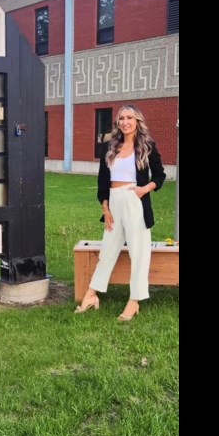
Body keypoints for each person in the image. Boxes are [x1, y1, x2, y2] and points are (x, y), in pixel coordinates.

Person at [75, 105, 166, 321]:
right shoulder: (110, 146)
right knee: (108, 251)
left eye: (129, 118)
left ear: (137, 121)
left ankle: (134, 301)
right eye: (121, 118)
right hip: (114, 202)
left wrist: (144, 189)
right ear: (118, 123)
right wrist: (105, 208)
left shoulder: (147, 146)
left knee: (139, 254)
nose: (125, 122)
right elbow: (102, 181)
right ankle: (91, 295)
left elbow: (160, 176)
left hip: (136, 200)